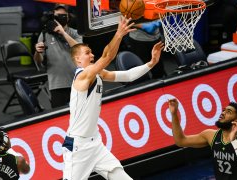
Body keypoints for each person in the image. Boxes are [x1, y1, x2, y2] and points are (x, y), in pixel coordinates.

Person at [62, 15, 164, 180]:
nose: (92, 55)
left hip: (95, 143)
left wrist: (150, 63)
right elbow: (107, 56)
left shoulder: (99, 74)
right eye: (87, 53)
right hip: (78, 146)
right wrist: (119, 34)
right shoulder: (82, 77)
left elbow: (128, 76)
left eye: (91, 52)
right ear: (77, 60)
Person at [168, 99, 237, 179]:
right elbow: (180, 141)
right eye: (223, 110)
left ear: (236, 121)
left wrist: (234, 142)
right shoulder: (211, 135)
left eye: (228, 112)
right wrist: (174, 114)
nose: (223, 113)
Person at [34, 4, 83, 108]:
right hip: (57, 84)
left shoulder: (75, 33)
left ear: (69, 17)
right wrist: (37, 52)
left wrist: (62, 32)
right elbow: (38, 61)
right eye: (57, 15)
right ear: (53, 17)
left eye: (63, 15)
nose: (60, 18)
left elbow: (80, 50)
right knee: (60, 116)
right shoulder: (44, 35)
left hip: (78, 82)